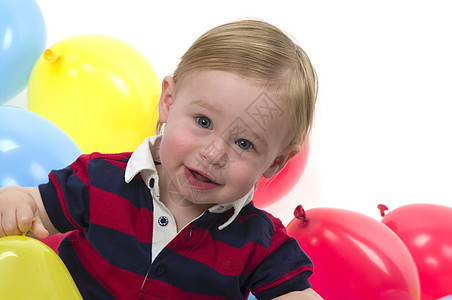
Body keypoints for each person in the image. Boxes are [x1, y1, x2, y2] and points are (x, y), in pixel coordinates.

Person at [0, 19, 322, 299]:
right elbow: (35, 212)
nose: (213, 154)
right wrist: (19, 202)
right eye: (203, 122)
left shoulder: (259, 242)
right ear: (168, 101)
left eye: (243, 143)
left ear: (276, 163)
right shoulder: (99, 178)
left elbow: (294, 291)